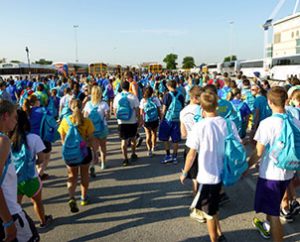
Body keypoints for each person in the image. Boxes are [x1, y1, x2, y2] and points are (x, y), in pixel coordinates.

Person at [180, 92, 240, 242]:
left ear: (202, 108)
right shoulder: (228, 123)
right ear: (217, 106)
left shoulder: (199, 126)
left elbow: (191, 154)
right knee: (213, 206)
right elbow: (238, 144)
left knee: (209, 214)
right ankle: (219, 233)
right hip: (223, 171)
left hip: (207, 175)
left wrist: (185, 172)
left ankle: (215, 238)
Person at [247, 86, 300, 241]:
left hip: (271, 174)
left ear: (269, 102)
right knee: (273, 205)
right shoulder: (295, 120)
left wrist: (246, 166)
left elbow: (258, 152)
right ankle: (266, 227)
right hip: (289, 170)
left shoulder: (267, 123)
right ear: (286, 101)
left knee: (274, 212)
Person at [0, 99, 40, 242]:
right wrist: (8, 222)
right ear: (5, 116)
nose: (16, 122)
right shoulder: (3, 140)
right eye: (14, 117)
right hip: (9, 211)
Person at [10, 110, 53, 228]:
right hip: (31, 179)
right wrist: (32, 162)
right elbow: (41, 159)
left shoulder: (6, 140)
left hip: (14, 180)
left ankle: (18, 225)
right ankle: (43, 221)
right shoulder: (34, 138)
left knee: (16, 205)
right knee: (37, 202)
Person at [58, 99, 98, 212]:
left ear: (70, 107)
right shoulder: (87, 122)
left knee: (72, 176)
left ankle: (71, 197)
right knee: (84, 175)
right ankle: (84, 198)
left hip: (71, 154)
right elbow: (91, 139)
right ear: (82, 107)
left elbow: (63, 140)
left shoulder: (65, 121)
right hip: (84, 152)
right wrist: (95, 153)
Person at [23, 95, 52, 181]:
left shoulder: (26, 111)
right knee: (46, 157)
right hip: (43, 137)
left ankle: (37, 172)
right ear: (36, 102)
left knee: (36, 156)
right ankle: (39, 174)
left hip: (30, 137)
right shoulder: (43, 110)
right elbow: (51, 120)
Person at [83, 86, 110, 175]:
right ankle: (103, 163)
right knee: (103, 147)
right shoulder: (104, 104)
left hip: (91, 129)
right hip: (102, 128)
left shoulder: (88, 104)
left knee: (93, 149)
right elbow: (108, 117)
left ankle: (93, 165)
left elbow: (85, 117)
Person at [113, 81, 140, 166]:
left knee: (123, 141)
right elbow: (137, 110)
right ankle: (133, 153)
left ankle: (125, 159)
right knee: (133, 138)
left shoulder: (117, 97)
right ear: (129, 87)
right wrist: (138, 119)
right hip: (132, 121)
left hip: (121, 122)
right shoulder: (133, 97)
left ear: (121, 87)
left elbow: (114, 110)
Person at [159, 79, 184, 164]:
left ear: (168, 86)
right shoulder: (181, 95)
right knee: (175, 140)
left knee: (165, 138)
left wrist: (161, 119)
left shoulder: (167, 95)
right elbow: (182, 108)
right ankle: (175, 157)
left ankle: (168, 155)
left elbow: (164, 109)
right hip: (177, 119)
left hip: (168, 119)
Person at [139, 86, 161, 157]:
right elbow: (158, 109)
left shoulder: (143, 100)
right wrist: (160, 117)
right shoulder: (155, 99)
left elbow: (141, 112)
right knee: (154, 133)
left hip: (146, 120)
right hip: (154, 119)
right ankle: (154, 146)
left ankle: (149, 150)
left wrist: (141, 120)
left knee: (148, 135)